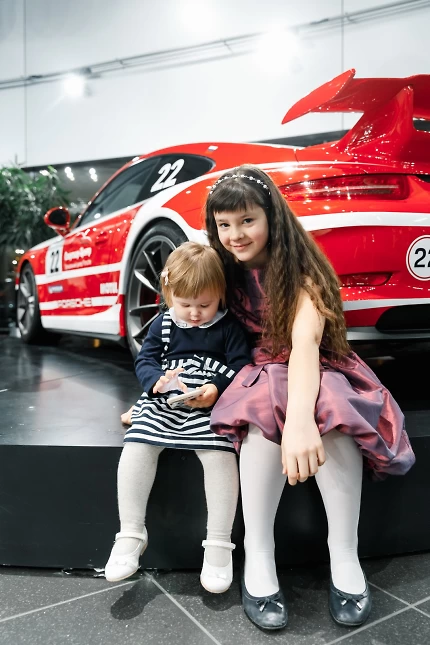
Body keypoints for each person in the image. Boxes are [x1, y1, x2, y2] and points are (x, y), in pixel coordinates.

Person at [204, 165, 416, 629]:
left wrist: (301, 422)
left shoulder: (302, 271)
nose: (235, 235)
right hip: (257, 367)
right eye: (224, 224)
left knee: (334, 414)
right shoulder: (220, 268)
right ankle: (259, 555)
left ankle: (345, 555)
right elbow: (186, 320)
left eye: (247, 220)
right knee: (261, 411)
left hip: (316, 363)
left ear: (271, 217)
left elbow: (304, 346)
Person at [105, 242, 250, 593]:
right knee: (138, 445)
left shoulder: (229, 327)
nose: (195, 313)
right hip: (167, 398)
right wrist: (156, 381)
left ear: (220, 295)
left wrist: (216, 387)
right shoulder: (164, 323)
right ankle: (131, 532)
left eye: (205, 305)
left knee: (219, 454)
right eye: (185, 304)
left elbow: (240, 365)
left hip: (209, 402)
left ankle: (219, 542)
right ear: (169, 294)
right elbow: (145, 359)